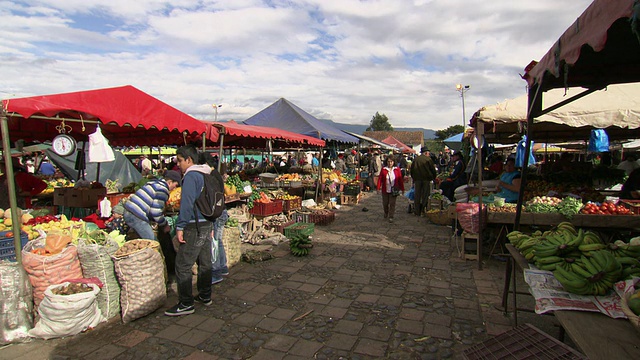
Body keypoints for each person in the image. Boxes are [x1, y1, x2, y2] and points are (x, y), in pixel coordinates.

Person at [165, 145, 217, 316]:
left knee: (183, 265)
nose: (178, 164)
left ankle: (186, 302)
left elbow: (186, 204)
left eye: (180, 161)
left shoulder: (191, 176)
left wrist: (180, 226)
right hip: (207, 222)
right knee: (205, 261)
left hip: (194, 225)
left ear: (189, 160)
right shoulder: (206, 173)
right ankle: (205, 295)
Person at [123, 170, 182, 240]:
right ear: (169, 182)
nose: (175, 188)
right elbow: (155, 212)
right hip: (137, 215)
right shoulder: (163, 189)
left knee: (139, 241)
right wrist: (164, 225)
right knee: (152, 242)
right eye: (175, 185)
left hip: (128, 211)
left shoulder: (153, 183)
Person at [410, 147, 438, 216]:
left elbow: (412, 170)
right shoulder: (428, 160)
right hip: (426, 179)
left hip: (417, 180)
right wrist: (434, 177)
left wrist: (414, 178)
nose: (429, 154)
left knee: (417, 195)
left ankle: (417, 211)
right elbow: (433, 170)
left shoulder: (416, 159)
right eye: (428, 153)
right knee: (425, 195)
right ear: (426, 153)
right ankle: (423, 210)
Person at [377, 155, 405, 223]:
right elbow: (380, 179)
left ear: (393, 162)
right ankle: (386, 212)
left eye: (391, 161)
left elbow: (400, 179)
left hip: (394, 189)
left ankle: (391, 216)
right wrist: (378, 188)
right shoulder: (384, 170)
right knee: (385, 203)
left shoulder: (397, 169)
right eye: (388, 161)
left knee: (392, 203)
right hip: (385, 189)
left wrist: (402, 189)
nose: (390, 163)